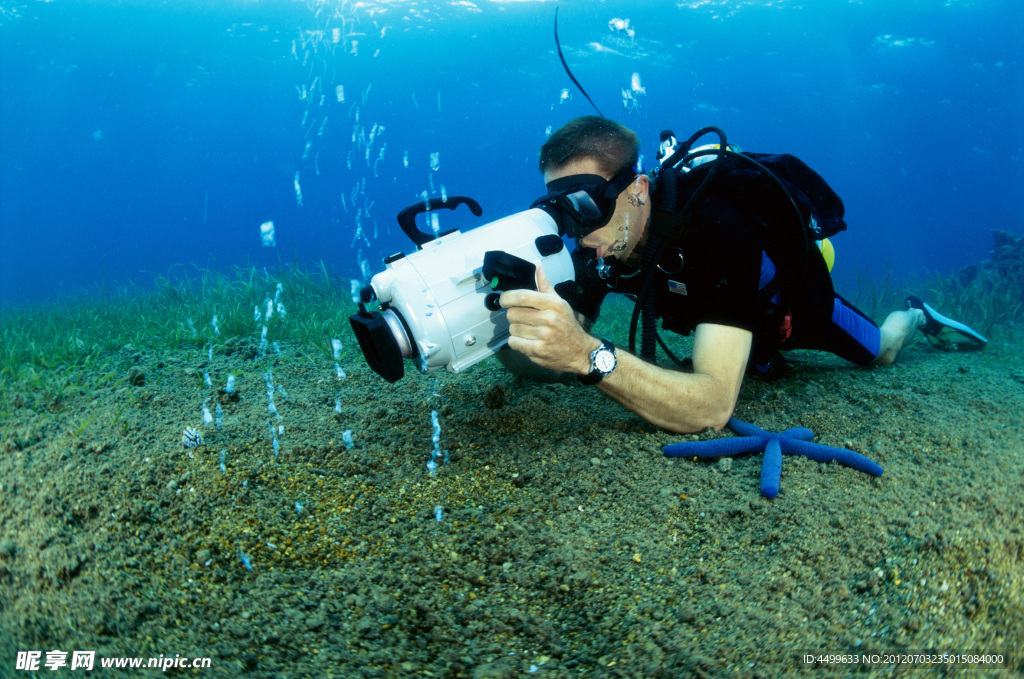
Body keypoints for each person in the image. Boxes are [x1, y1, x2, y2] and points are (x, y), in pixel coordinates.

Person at [498, 116, 986, 434]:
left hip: (787, 311)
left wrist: (586, 355)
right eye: (561, 211)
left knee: (881, 351)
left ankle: (915, 314)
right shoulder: (599, 244)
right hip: (722, 318)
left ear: (638, 189)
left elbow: (711, 406)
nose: (577, 231)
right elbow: (545, 357)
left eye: (586, 204)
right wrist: (502, 324)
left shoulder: (717, 228)